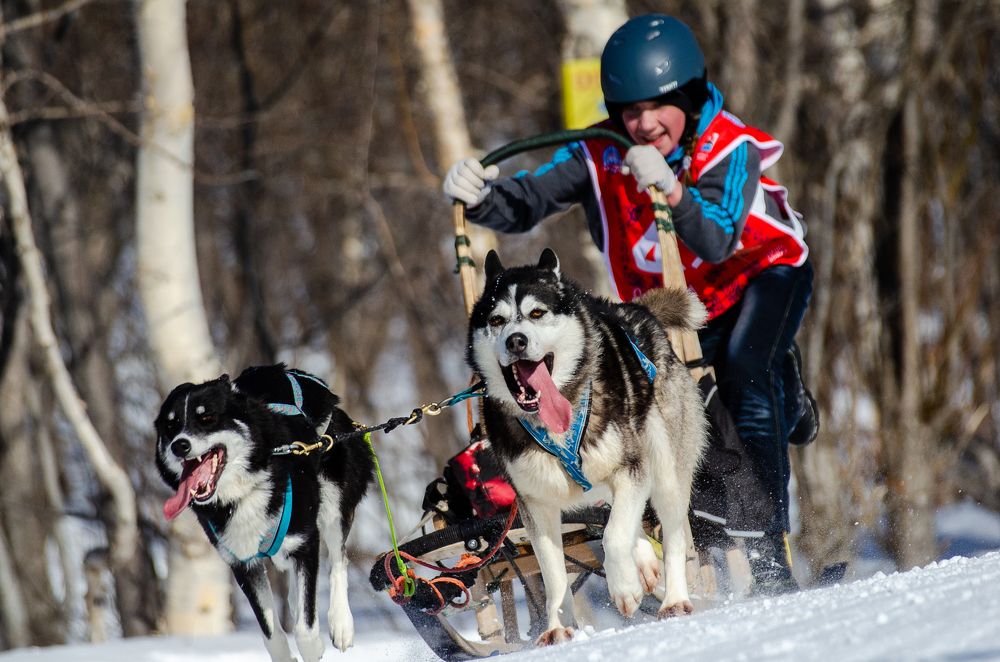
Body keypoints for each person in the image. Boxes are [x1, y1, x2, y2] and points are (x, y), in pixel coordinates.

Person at [442, 13, 818, 595]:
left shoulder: (729, 147)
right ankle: (706, 532)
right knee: (688, 404)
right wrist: (482, 195)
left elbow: (717, 238)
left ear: (689, 97)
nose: (643, 124)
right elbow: (529, 201)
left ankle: (772, 557)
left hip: (762, 276)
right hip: (677, 299)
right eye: (629, 111)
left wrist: (671, 187)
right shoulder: (598, 153)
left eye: (657, 107)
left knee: (748, 373)